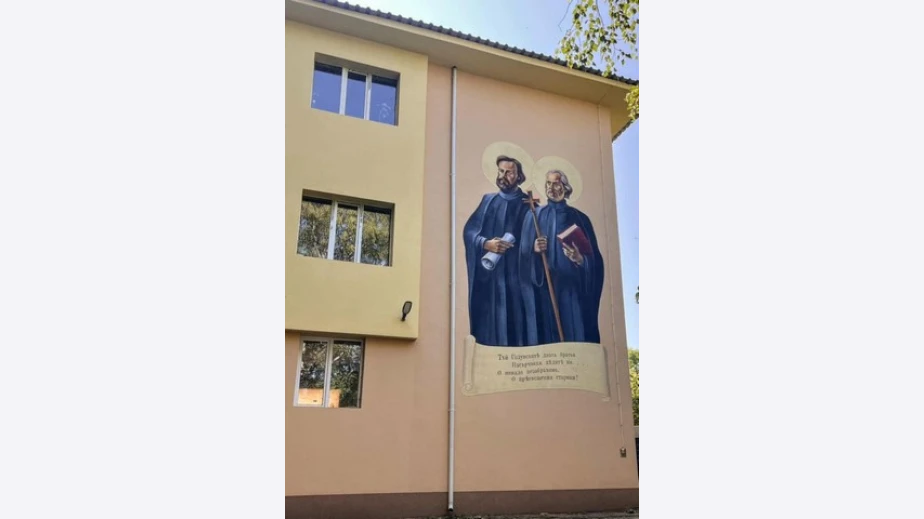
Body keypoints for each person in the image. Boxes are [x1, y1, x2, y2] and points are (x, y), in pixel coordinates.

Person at [519, 170, 604, 345]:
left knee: (574, 336)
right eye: (548, 184)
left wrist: (580, 260)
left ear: (565, 187)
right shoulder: (534, 215)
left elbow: (595, 260)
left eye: (556, 183)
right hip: (544, 289)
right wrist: (534, 249)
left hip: (571, 291)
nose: (551, 188)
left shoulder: (580, 218)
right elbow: (522, 255)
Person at [463, 155, 532, 346]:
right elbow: (469, 231)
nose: (503, 176)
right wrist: (486, 243)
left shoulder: (528, 204)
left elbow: (535, 236)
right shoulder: (488, 201)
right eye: (501, 171)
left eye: (509, 172)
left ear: (519, 176)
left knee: (517, 323)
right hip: (491, 280)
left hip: (517, 278)